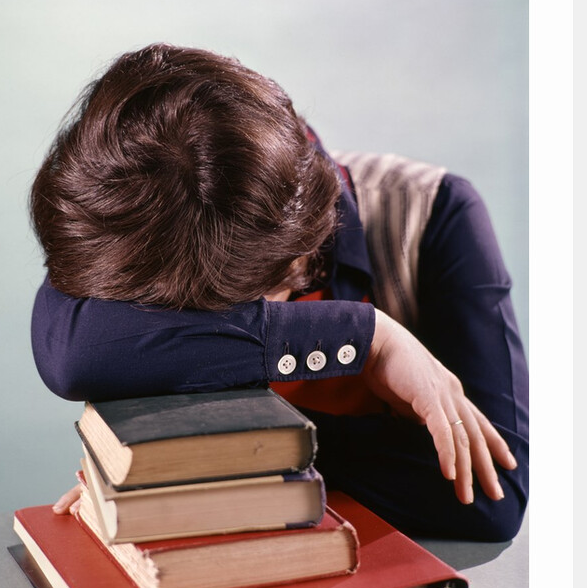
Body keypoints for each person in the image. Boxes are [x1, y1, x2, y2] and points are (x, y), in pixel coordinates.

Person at [30, 43, 528, 542]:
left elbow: (492, 495)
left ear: (302, 252)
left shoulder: (436, 213)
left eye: (231, 313)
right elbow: (74, 356)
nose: (208, 331)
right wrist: (368, 337)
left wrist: (197, 457)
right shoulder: (133, 233)